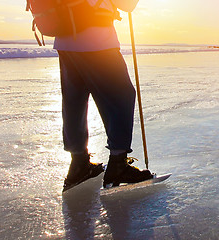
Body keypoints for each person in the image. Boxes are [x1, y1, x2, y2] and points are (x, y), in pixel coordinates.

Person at [55, 0, 153, 191]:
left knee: (74, 102)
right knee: (121, 96)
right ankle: (118, 165)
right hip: (96, 41)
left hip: (65, 40)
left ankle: (78, 164)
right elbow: (128, 5)